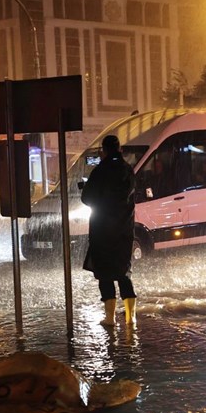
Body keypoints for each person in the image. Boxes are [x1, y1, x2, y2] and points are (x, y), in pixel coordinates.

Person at [81, 134, 138, 326]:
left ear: (103, 150)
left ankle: (110, 318)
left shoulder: (100, 170)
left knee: (105, 274)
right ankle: (131, 317)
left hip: (102, 230)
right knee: (123, 272)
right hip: (124, 231)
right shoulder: (128, 170)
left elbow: (87, 199)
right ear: (119, 149)